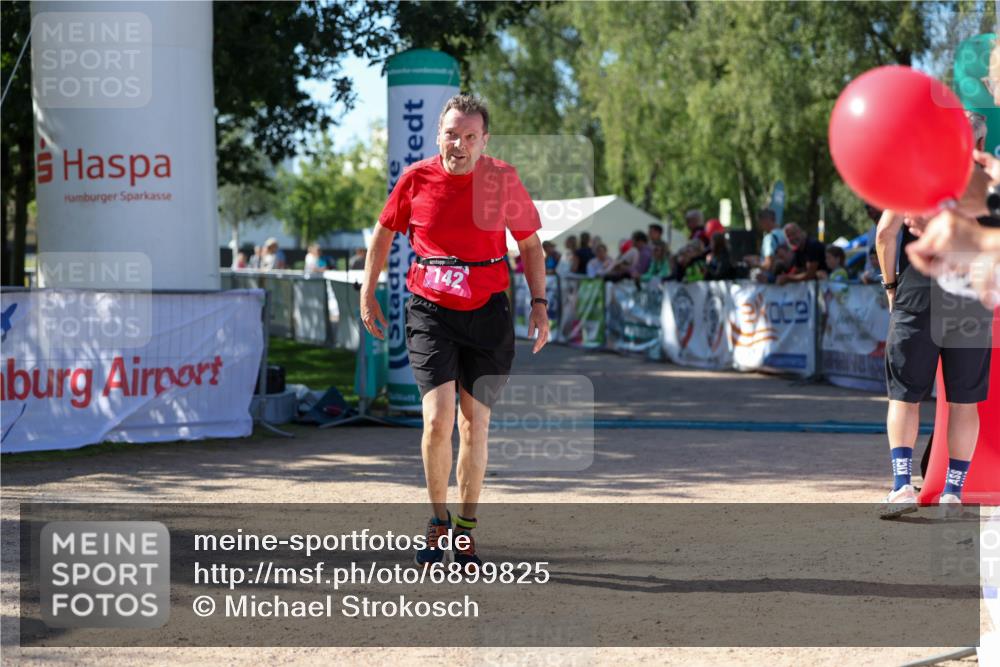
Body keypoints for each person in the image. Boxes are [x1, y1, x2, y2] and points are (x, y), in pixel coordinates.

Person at [360, 94, 549, 569]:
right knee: (437, 419)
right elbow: (383, 233)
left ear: (484, 140)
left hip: (487, 311)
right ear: (438, 134)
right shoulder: (416, 178)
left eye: (469, 136)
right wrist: (368, 292)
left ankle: (465, 530)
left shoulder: (502, 180)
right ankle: (437, 520)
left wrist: (541, 305)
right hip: (429, 309)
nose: (459, 144)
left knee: (473, 424)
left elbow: (530, 248)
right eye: (451, 134)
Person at [876, 208, 993, 519]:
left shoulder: (911, 179)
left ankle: (901, 486)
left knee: (904, 397)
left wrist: (891, 288)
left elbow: (885, 233)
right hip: (969, 299)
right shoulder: (983, 182)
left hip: (917, 293)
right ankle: (952, 494)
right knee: (964, 403)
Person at [744, 208, 787, 273]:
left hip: (769, 280)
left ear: (765, 220)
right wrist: (759, 258)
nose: (759, 225)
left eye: (760, 222)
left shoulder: (769, 238)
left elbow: (768, 265)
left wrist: (754, 263)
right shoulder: (784, 234)